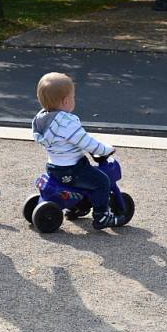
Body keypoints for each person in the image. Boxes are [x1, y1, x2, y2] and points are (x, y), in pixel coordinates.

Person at [31, 72, 127, 230]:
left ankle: (77, 206)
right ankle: (102, 216)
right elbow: (86, 142)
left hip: (54, 167)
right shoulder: (66, 123)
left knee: (86, 180)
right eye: (73, 97)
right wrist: (105, 149)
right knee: (102, 181)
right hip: (72, 169)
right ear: (66, 101)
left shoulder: (42, 120)